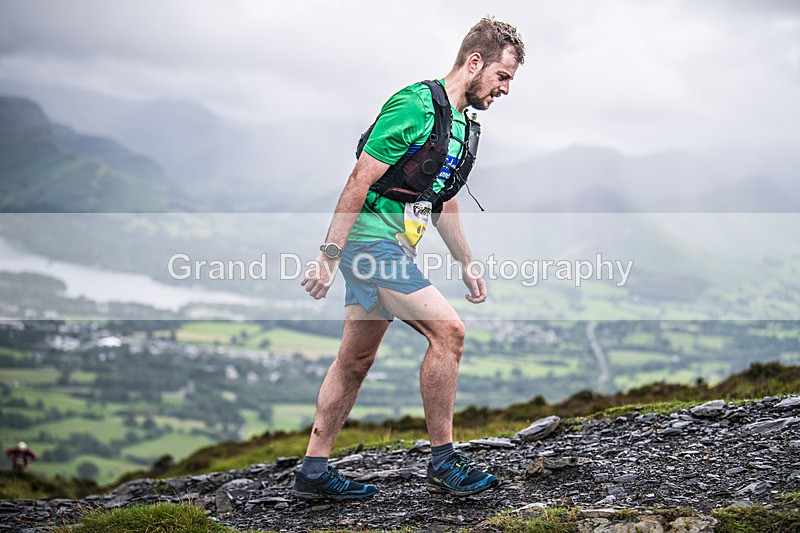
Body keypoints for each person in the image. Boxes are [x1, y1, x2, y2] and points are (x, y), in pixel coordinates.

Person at [295, 17, 524, 500]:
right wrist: (329, 254)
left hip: (394, 246)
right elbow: (359, 179)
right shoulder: (415, 106)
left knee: (355, 359)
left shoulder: (459, 123)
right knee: (449, 331)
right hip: (369, 242)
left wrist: (466, 261)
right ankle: (444, 461)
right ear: (475, 62)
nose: (505, 89)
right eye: (502, 77)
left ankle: (313, 472)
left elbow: (443, 198)